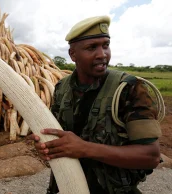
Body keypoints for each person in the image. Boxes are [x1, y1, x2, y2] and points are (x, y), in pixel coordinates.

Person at [28, 16, 162, 194]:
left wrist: (84, 149)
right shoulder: (62, 88)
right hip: (65, 188)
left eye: (105, 45)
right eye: (91, 47)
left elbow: (151, 156)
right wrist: (46, 145)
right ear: (72, 54)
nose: (102, 54)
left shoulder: (129, 89)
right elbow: (57, 137)